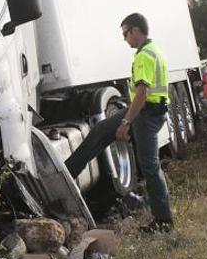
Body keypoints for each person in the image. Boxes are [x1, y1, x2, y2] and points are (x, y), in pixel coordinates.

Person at [66, 13, 173, 232]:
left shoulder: (144, 55)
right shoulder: (155, 50)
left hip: (146, 114)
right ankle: (66, 174)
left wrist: (125, 122)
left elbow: (142, 94)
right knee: (102, 130)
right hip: (148, 112)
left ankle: (164, 221)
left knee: (150, 167)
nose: (125, 39)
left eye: (126, 33)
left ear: (136, 31)